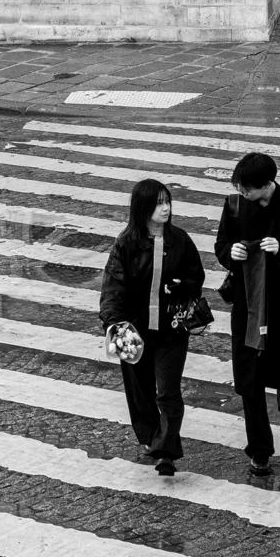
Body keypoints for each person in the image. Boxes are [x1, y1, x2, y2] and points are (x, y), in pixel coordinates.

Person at [214, 152, 280, 478]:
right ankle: (260, 450)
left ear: (265, 184)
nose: (242, 192)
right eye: (240, 186)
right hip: (248, 305)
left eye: (247, 188)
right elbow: (221, 245)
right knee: (250, 379)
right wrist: (230, 252)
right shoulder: (234, 206)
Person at [99, 179, 205, 477]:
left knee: (168, 390)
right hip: (133, 330)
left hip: (172, 330)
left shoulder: (180, 240)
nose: (166, 208)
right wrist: (114, 324)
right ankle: (151, 438)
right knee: (140, 391)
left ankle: (166, 451)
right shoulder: (126, 244)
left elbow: (196, 278)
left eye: (167, 201)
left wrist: (183, 286)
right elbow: (113, 287)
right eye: (159, 203)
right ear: (143, 208)